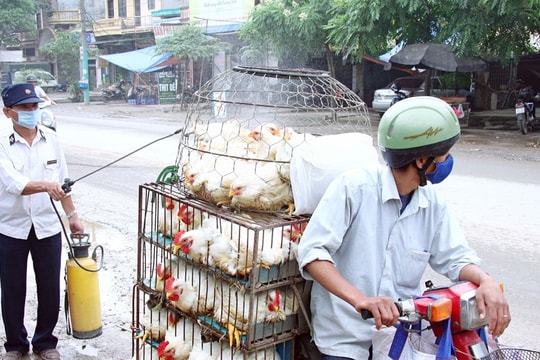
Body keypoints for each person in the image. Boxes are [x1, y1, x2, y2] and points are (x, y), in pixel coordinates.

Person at [297, 96, 510, 360]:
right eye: (443, 154)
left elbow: (456, 258)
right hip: (345, 339)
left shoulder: (432, 204)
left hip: (399, 338)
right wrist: (360, 300)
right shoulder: (354, 188)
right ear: (422, 160)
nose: (447, 161)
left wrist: (486, 281)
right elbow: (312, 254)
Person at [0, 83, 84, 360]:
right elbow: (15, 184)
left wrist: (73, 217)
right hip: (11, 227)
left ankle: (45, 341)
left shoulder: (52, 139)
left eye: (34, 107)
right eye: (24, 108)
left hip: (47, 226)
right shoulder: (2, 144)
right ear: (7, 112)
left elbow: (64, 182)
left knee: (49, 286)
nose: (31, 112)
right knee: (13, 287)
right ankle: (15, 344)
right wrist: (48, 186)